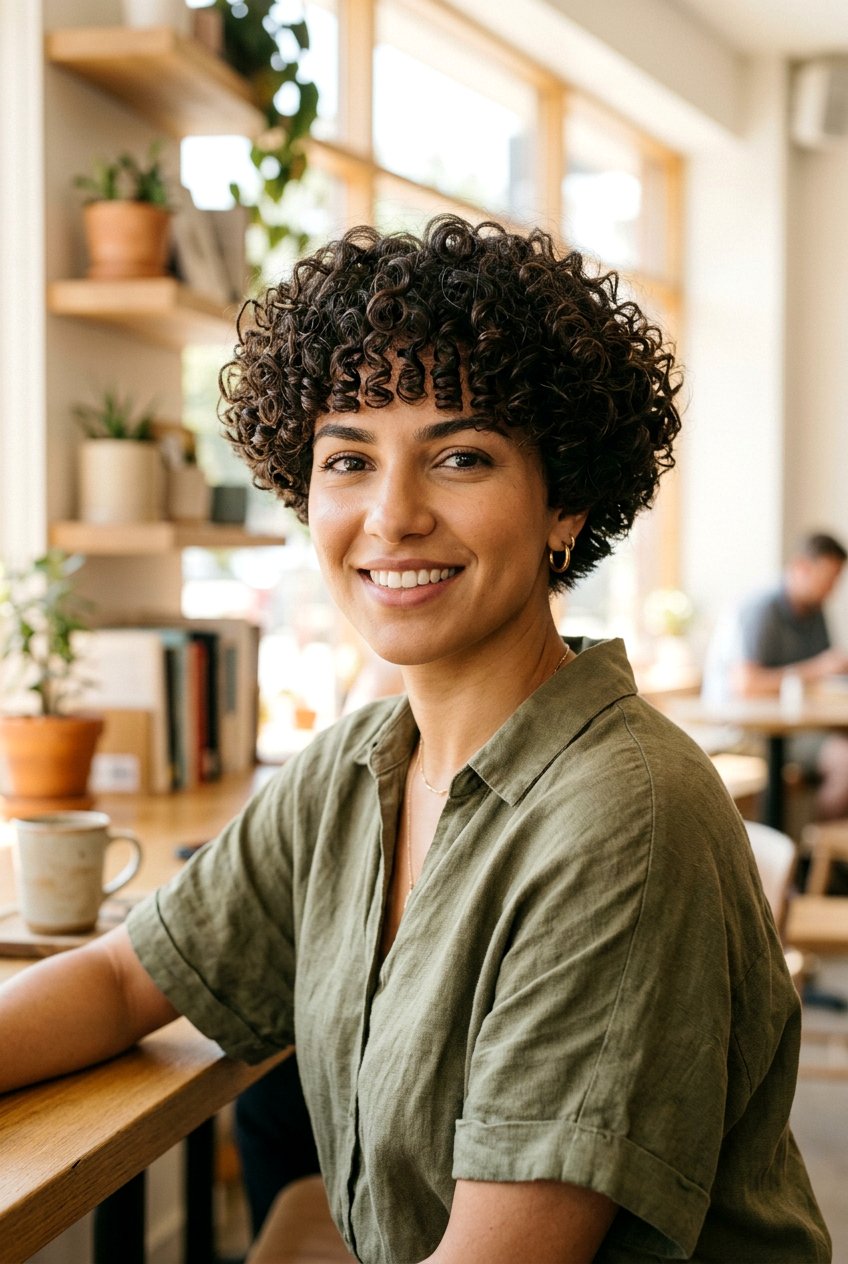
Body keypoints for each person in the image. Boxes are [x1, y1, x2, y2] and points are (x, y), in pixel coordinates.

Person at [0, 217, 831, 1263]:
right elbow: (126, 978)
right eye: (347, 458)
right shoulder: (356, 765)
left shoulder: (622, 816)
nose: (390, 515)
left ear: (562, 502)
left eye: (460, 455)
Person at [702, 531, 848, 820]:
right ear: (801, 568)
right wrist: (819, 668)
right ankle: (816, 859)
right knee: (845, 762)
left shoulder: (815, 612)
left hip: (795, 727)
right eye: (828, 580)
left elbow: (824, 680)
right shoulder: (761, 609)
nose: (831, 590)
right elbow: (747, 685)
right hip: (746, 730)